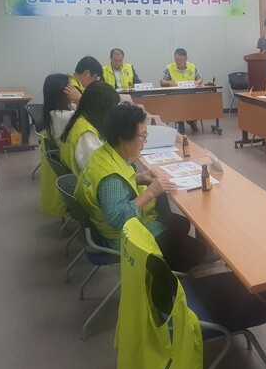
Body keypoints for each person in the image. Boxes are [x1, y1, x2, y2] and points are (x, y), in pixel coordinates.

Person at [74, 103, 206, 272]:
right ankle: (160, 275)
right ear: (124, 137)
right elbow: (118, 220)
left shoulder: (103, 155)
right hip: (120, 237)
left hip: (104, 227)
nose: (146, 141)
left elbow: (109, 189)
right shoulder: (111, 178)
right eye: (143, 136)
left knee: (181, 223)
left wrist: (139, 177)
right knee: (197, 250)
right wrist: (150, 192)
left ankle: (169, 259)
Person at [60, 81, 120, 176]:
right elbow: (102, 171)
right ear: (103, 109)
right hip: (91, 182)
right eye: (113, 107)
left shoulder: (82, 118)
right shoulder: (86, 133)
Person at [40, 73, 77, 217]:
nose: (73, 89)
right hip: (74, 162)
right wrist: (79, 98)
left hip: (67, 157)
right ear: (62, 92)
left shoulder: (53, 112)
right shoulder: (63, 116)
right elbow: (89, 114)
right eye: (69, 87)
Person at [159, 48, 202, 133]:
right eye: (176, 59)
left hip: (190, 95)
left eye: (181, 60)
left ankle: (192, 121)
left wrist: (197, 82)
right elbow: (162, 82)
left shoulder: (192, 67)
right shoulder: (169, 67)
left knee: (196, 102)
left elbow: (200, 79)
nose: (178, 62)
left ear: (186, 59)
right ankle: (180, 123)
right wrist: (168, 82)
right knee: (178, 102)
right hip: (176, 96)